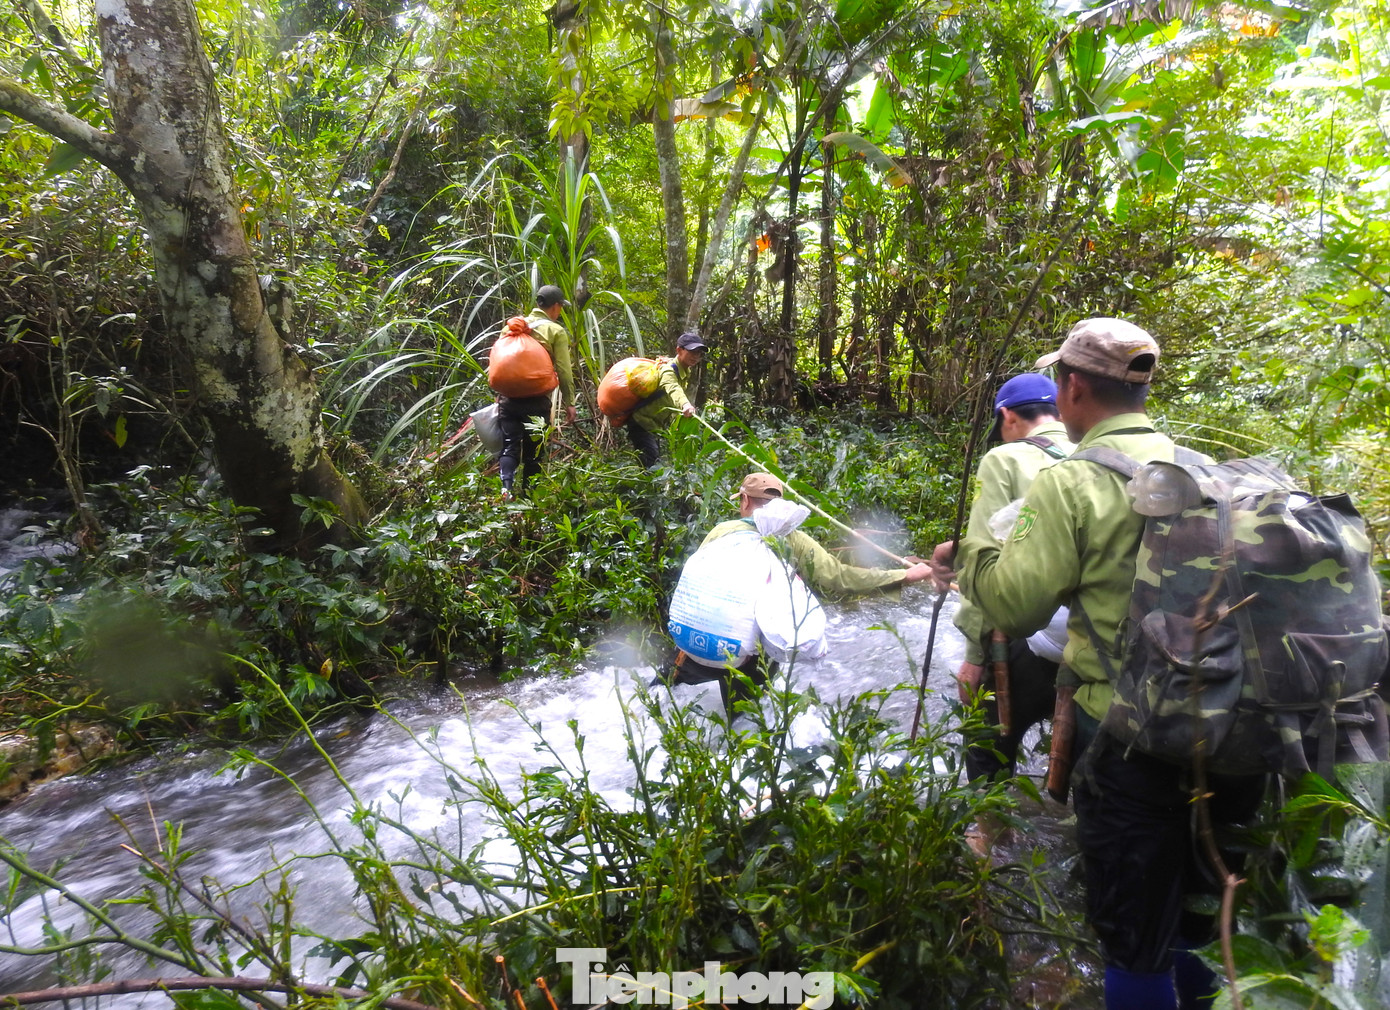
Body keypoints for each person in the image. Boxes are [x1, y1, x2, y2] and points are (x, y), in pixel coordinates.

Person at [948, 318, 1265, 1010]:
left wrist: (972, 553)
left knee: (1131, 932)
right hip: (1230, 726)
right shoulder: (1204, 470)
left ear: (1070, 388)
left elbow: (1016, 606)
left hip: (1127, 735)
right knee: (1202, 918)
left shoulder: (1075, 481)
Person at [673, 471, 933, 714]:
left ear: (743, 500)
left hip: (698, 645)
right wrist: (904, 575)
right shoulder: (793, 539)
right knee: (743, 725)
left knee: (666, 698)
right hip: (750, 657)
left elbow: (698, 579)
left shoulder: (723, 531)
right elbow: (840, 578)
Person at [929, 373, 1075, 782]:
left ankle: (988, 832)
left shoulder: (1006, 459)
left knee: (986, 741)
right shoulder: (1098, 452)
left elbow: (984, 562)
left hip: (1028, 637)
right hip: (1094, 639)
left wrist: (975, 658)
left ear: (1007, 415)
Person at [497, 285, 576, 498]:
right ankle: (530, 501)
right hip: (536, 402)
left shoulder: (512, 327)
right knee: (534, 453)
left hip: (508, 400)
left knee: (509, 446)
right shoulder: (555, 331)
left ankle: (506, 489)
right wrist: (569, 401)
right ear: (556, 306)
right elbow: (564, 370)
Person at [627, 330, 705, 468]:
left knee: (652, 461)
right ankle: (645, 487)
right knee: (651, 464)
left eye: (699, 353)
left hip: (654, 425)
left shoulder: (685, 370)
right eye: (692, 351)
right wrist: (685, 404)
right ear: (679, 350)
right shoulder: (668, 370)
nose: (695, 356)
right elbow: (673, 388)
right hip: (641, 422)